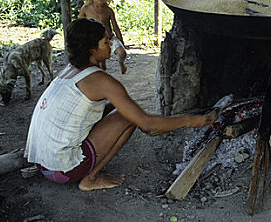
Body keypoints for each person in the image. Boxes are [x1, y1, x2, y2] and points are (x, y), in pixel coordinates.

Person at [24, 18, 215, 191]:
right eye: (106, 42)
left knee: (116, 108)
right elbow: (147, 124)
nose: (110, 45)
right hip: (64, 170)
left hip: (44, 164)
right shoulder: (101, 80)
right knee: (127, 117)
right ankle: (90, 179)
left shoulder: (69, 71)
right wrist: (190, 120)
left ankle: (87, 170)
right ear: (93, 50)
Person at [79, 0, 127, 74]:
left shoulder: (108, 10)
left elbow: (115, 27)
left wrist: (121, 41)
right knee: (101, 64)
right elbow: (79, 25)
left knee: (122, 53)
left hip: (109, 38)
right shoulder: (86, 9)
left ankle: (121, 63)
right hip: (95, 40)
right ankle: (101, 79)